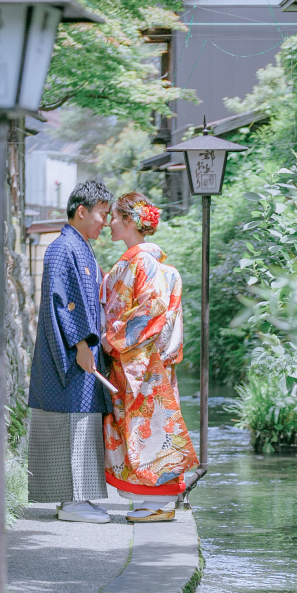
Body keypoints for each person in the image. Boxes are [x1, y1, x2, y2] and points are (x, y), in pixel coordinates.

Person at [102, 192, 199, 523]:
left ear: (129, 221)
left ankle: (160, 503)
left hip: (140, 363)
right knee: (148, 431)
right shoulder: (145, 262)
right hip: (139, 361)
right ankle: (153, 502)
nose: (110, 222)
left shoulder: (141, 262)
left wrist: (111, 339)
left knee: (152, 431)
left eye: (114, 216)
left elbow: (151, 309)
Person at [27, 179, 113, 524]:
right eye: (101, 214)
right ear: (82, 211)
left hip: (80, 351)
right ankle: (71, 501)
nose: (104, 222)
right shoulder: (63, 248)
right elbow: (66, 303)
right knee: (69, 422)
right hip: (68, 353)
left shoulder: (77, 246)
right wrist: (81, 345)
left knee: (81, 422)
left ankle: (78, 498)